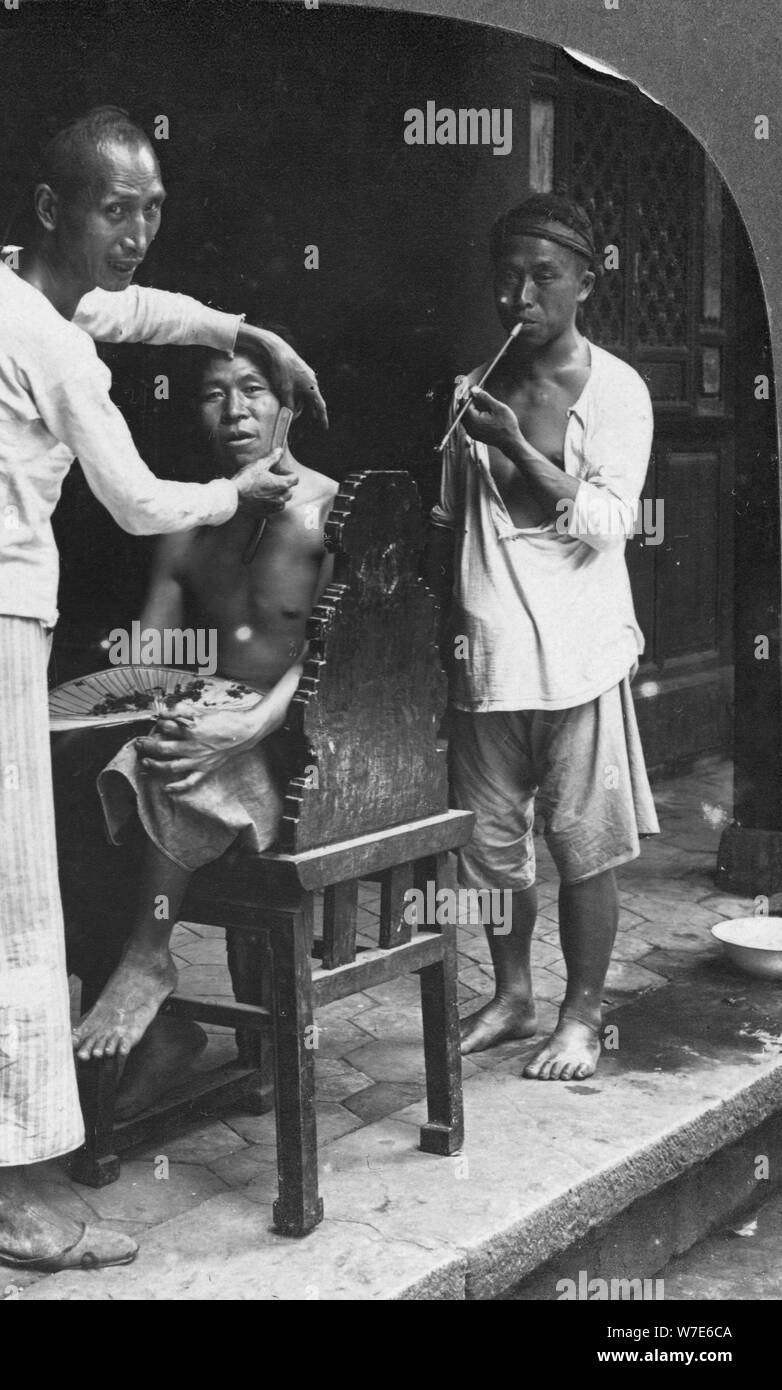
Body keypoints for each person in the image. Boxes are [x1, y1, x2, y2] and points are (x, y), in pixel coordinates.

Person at [0, 106, 327, 1271]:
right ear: (51, 208)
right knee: (13, 911)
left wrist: (233, 326)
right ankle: (10, 1192)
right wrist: (242, 493)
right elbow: (133, 499)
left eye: (151, 210)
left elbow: (123, 306)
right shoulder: (56, 349)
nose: (135, 234)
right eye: (113, 210)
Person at [69, 335, 337, 1118]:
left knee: (187, 755)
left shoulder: (330, 509)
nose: (235, 408)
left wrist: (251, 723)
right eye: (215, 393)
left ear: (288, 401)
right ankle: (163, 1033)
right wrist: (133, 710)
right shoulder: (189, 522)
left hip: (297, 741)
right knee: (79, 772)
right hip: (204, 726)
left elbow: (340, 660)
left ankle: (149, 960)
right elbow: (150, 662)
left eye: (253, 388)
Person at [427, 192, 659, 1084]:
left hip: (581, 659)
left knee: (581, 846)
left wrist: (520, 449)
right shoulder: (471, 391)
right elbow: (451, 524)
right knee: (490, 849)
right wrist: (439, 641)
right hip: (487, 663)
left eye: (544, 277)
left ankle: (583, 1016)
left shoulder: (618, 390)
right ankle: (514, 993)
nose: (520, 296)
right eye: (507, 278)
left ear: (586, 282)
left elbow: (606, 522)